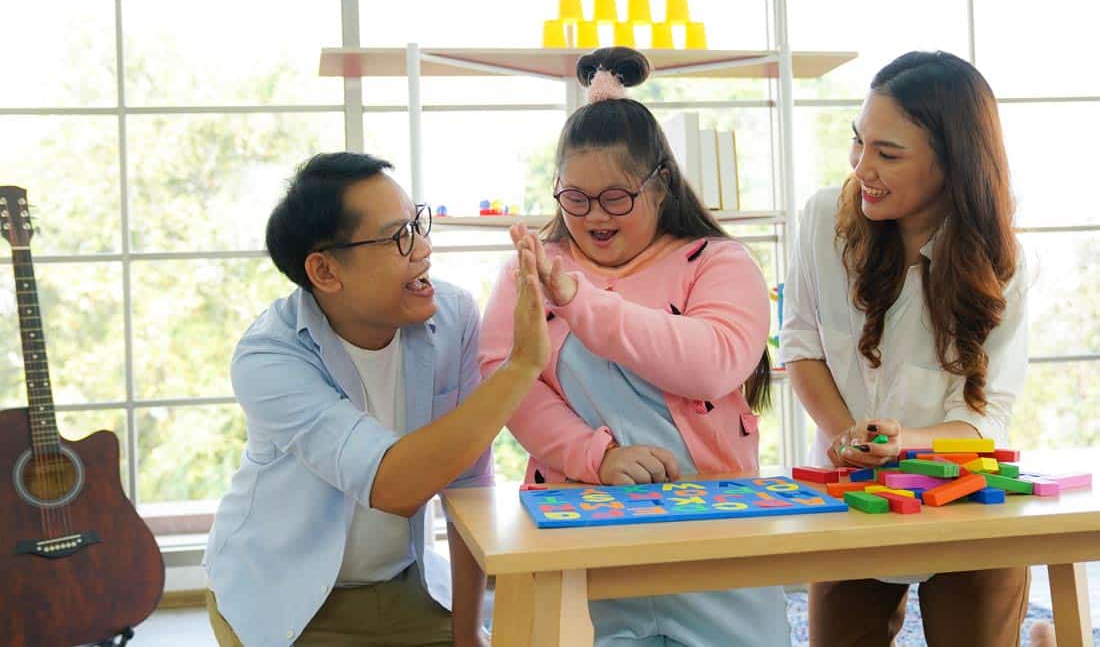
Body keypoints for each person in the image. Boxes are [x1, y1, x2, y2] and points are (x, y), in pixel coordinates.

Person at [479, 47, 790, 646]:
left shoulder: (718, 262)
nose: (594, 216)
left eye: (616, 197)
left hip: (716, 537)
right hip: (579, 529)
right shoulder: (528, 270)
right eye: (574, 198)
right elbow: (507, 382)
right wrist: (597, 458)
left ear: (661, 184)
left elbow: (712, 363)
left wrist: (579, 300)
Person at [203, 151, 549, 647]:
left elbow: (468, 481)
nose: (424, 247)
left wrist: (469, 631)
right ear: (325, 271)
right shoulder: (268, 357)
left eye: (418, 224)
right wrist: (521, 366)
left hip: (405, 585)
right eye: (398, 237)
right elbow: (393, 483)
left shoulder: (452, 316)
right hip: (281, 600)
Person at [779, 51, 1030, 646]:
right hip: (851, 493)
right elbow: (801, 345)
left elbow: (984, 419)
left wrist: (903, 443)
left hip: (965, 499)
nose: (862, 166)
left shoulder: (1005, 265)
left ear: (954, 164)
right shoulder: (823, 221)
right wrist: (846, 437)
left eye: (888, 154)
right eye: (858, 142)